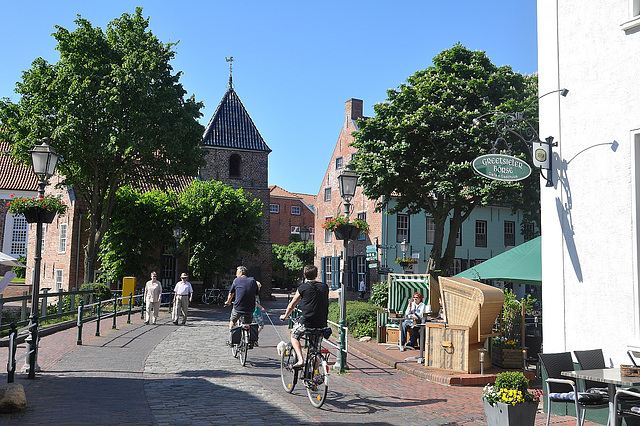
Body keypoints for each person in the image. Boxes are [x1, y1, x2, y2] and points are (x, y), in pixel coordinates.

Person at [280, 265, 329, 368]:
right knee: (315, 350)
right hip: (321, 323)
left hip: (306, 322)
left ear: (305, 276)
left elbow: (292, 304)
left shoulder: (302, 288)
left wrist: (285, 316)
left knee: (294, 335)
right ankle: (314, 378)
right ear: (316, 275)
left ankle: (301, 359)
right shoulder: (325, 287)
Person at [225, 265, 258, 344]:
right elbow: (256, 296)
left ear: (240, 273)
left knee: (233, 321)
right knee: (248, 324)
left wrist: (228, 302)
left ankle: (231, 340)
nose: (236, 275)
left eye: (237, 273)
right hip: (250, 308)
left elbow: (231, 293)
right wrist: (254, 302)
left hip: (238, 307)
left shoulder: (236, 280)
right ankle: (250, 341)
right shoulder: (253, 281)